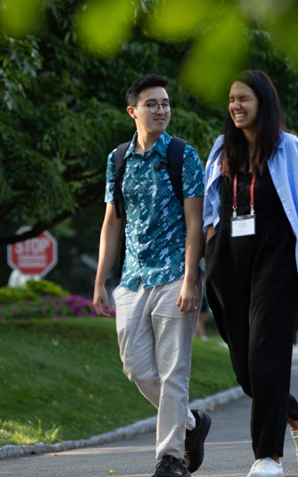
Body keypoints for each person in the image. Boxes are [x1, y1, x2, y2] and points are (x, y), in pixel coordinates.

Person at [202, 70, 298, 477]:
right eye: (232, 99)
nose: (236, 106)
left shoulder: (287, 147)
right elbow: (209, 205)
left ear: (263, 103)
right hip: (228, 263)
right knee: (247, 372)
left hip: (276, 262)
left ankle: (268, 457)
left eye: (243, 99)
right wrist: (209, 242)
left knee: (267, 360)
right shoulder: (222, 149)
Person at [92, 74, 211, 477]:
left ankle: (170, 458)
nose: (161, 110)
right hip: (132, 278)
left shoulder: (183, 155)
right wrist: (100, 281)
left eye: (165, 103)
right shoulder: (118, 159)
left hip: (175, 274)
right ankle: (191, 424)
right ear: (133, 111)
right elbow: (112, 223)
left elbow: (195, 223)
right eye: (152, 104)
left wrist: (191, 279)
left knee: (174, 370)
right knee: (136, 368)